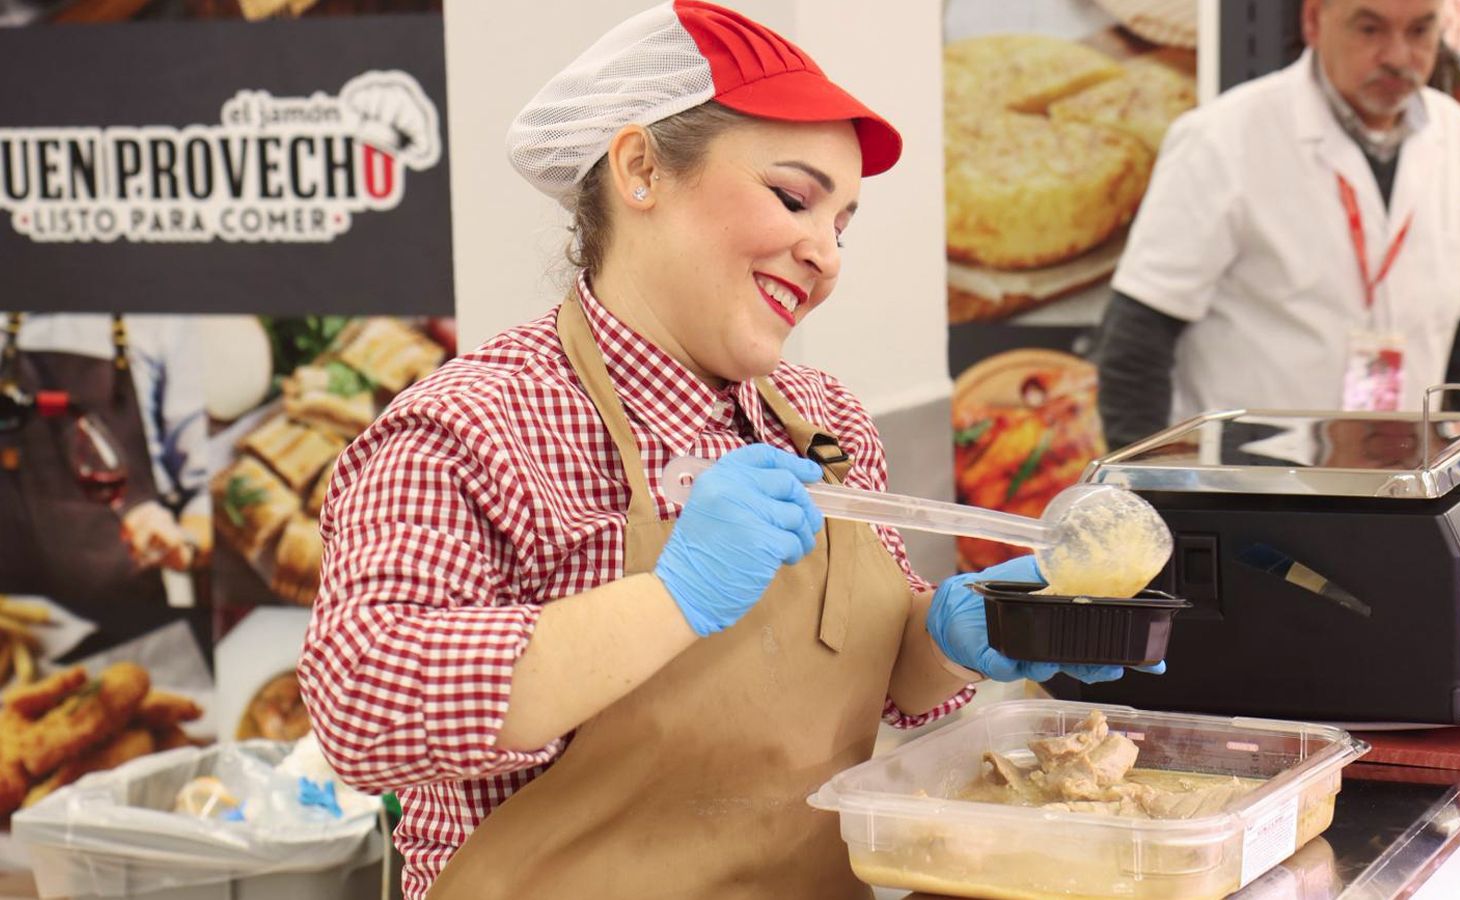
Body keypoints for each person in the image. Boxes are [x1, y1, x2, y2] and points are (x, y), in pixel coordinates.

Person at [297, 3, 1162, 898]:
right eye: (793, 198)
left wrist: (953, 637)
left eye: (842, 225)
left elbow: (887, 686)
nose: (826, 255)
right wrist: (673, 598)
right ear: (641, 170)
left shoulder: (824, 420)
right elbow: (361, 707)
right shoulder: (472, 428)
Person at [1095, 0, 1460, 451]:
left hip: (1404, 479)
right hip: (1248, 480)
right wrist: (1146, 485)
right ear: (1313, 21)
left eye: (1419, 31)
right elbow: (1136, 343)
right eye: (1370, 29)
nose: (1398, 56)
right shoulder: (1221, 140)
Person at [0, 312, 210, 659]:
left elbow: (204, 495)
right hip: (12, 628)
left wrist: (184, 543)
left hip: (131, 627)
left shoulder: (162, 322)